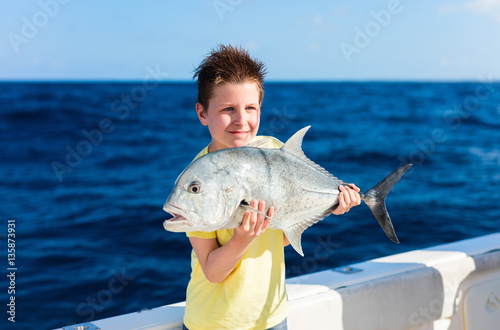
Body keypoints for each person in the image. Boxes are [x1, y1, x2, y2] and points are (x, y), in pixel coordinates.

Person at [182, 44, 361, 330]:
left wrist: (331, 206)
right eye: (228, 109)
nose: (242, 120)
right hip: (213, 322)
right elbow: (213, 271)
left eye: (250, 108)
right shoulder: (200, 180)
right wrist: (242, 238)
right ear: (202, 113)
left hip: (273, 317)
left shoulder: (275, 151)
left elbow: (279, 238)